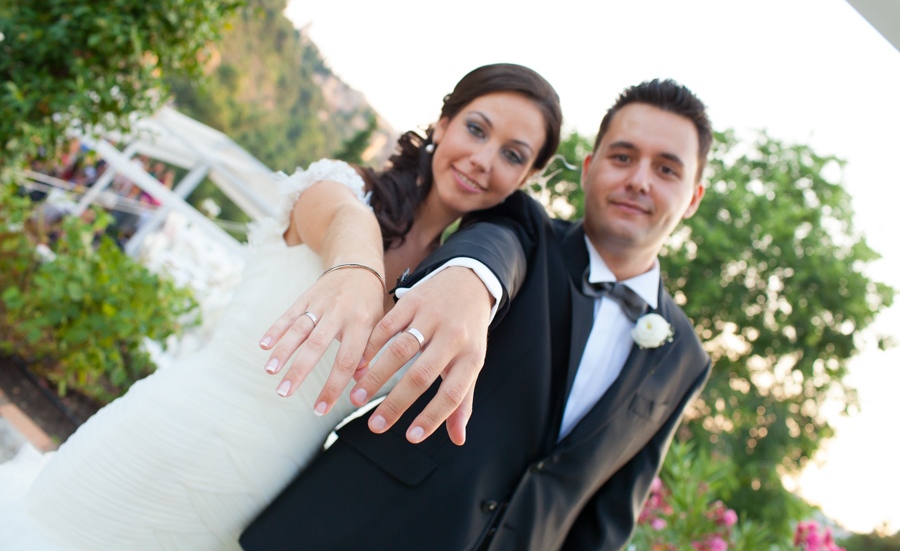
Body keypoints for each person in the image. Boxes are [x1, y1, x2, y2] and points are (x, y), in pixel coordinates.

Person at [0, 63, 562, 551]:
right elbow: (344, 222)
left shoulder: (450, 294)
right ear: (443, 124)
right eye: (475, 129)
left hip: (257, 498)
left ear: (527, 179)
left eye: (512, 155)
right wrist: (359, 272)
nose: (483, 159)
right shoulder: (338, 189)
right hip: (162, 436)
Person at [240, 78, 713, 551]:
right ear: (589, 169)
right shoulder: (522, 226)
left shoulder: (686, 360)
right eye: (623, 157)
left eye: (667, 169)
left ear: (693, 197)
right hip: (357, 531)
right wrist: (470, 281)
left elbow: (606, 517)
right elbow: (490, 250)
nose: (639, 180)